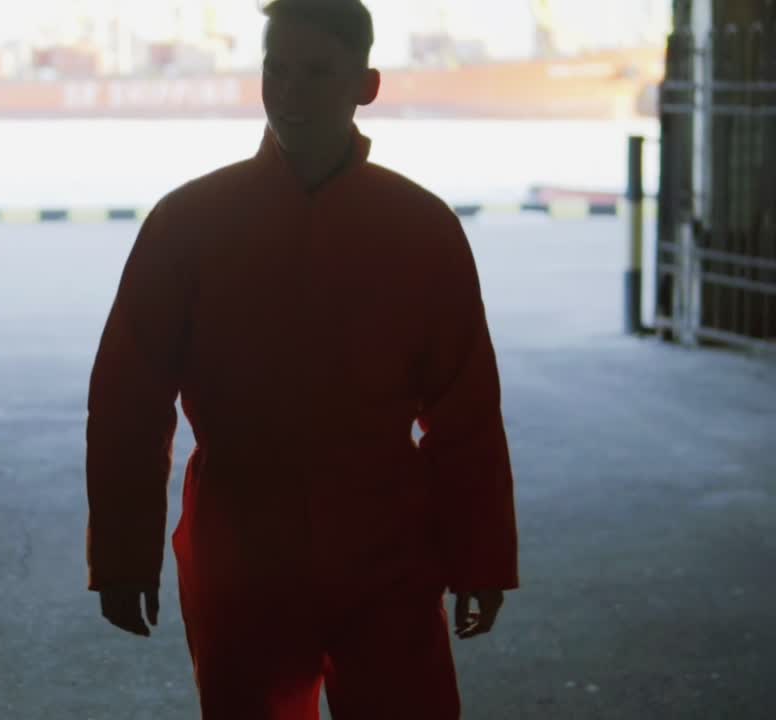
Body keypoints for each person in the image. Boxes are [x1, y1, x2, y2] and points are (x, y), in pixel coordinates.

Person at [84, 0, 519, 717]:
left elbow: (465, 412)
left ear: (366, 85)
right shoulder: (188, 226)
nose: (290, 93)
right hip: (240, 552)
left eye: (317, 72)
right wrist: (124, 558)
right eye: (276, 70)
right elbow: (129, 403)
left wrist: (481, 558)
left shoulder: (422, 231)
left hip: (388, 552)